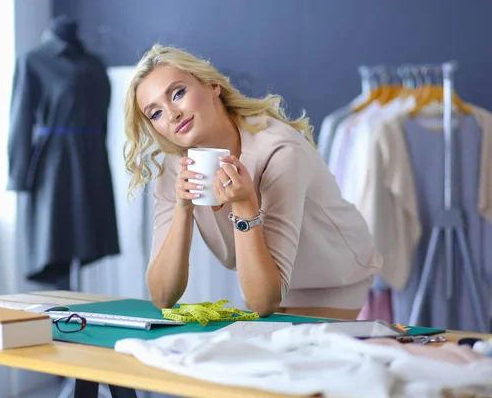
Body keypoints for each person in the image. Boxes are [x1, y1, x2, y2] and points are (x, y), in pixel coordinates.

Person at [123, 44, 382, 319]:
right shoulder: (175, 170)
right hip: (266, 276)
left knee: (296, 357)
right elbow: (162, 296)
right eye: (155, 113)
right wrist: (182, 209)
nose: (172, 114)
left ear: (212, 86)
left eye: (178, 93)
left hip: (330, 274)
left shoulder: (279, 151)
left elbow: (262, 303)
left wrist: (245, 205)